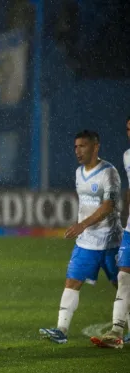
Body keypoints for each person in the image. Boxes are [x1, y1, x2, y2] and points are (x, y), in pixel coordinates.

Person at [40, 130, 122, 344]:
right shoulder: (78, 172)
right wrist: (83, 228)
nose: (77, 151)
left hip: (111, 240)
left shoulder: (108, 172)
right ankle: (61, 330)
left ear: (96, 147)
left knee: (121, 285)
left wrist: (82, 224)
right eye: (76, 146)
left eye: (82, 146)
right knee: (72, 282)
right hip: (86, 243)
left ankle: (120, 330)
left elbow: (109, 205)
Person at [90, 118, 130, 348]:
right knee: (124, 276)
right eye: (127, 129)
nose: (129, 134)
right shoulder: (127, 156)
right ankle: (117, 332)